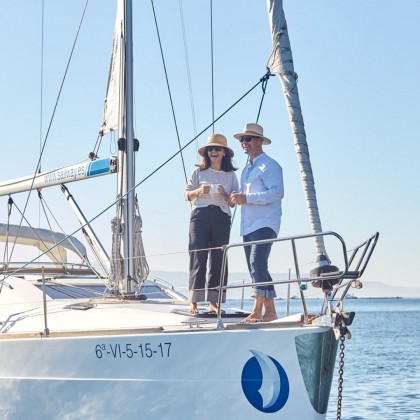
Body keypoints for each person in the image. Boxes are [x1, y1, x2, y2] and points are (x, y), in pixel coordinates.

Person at [230, 123, 284, 323]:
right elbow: (246, 197)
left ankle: (257, 310)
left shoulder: (270, 165)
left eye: (248, 139)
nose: (244, 143)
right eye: (242, 139)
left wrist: (247, 198)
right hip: (248, 225)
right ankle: (271, 312)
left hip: (265, 222)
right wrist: (235, 199)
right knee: (257, 267)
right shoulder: (246, 169)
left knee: (257, 263)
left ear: (260, 141)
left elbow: (277, 192)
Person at [185, 134, 239, 315]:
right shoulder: (198, 172)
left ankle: (214, 302)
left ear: (224, 153)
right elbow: (187, 195)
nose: (214, 151)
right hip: (200, 215)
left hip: (221, 216)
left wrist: (225, 195)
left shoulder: (231, 175)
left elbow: (233, 201)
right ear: (206, 152)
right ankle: (194, 301)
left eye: (218, 149)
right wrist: (200, 191)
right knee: (197, 257)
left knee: (219, 259)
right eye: (211, 149)